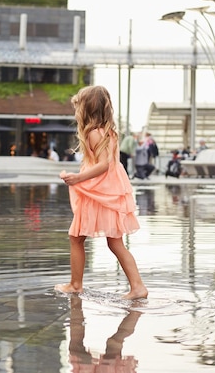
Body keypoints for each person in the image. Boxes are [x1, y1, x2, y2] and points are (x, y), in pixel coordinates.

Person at [56, 85, 148, 300]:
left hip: (99, 190)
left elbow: (105, 164)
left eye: (78, 105)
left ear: (86, 108)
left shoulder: (93, 133)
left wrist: (78, 178)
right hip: (109, 189)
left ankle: (75, 284)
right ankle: (137, 287)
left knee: (76, 237)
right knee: (113, 242)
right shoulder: (107, 132)